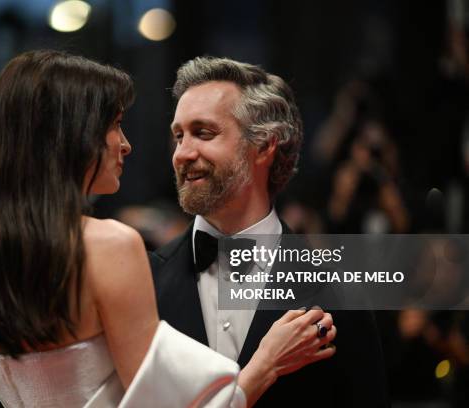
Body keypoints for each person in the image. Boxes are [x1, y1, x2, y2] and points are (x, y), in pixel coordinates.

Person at [0, 50, 336, 407]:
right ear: (73, 136)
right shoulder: (115, 248)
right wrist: (263, 368)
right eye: (115, 124)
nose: (127, 143)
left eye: (203, 132)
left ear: (265, 145)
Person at [149, 56, 389, 407]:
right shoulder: (145, 280)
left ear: (264, 145)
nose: (182, 153)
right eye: (178, 135)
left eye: (203, 133)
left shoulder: (340, 289)